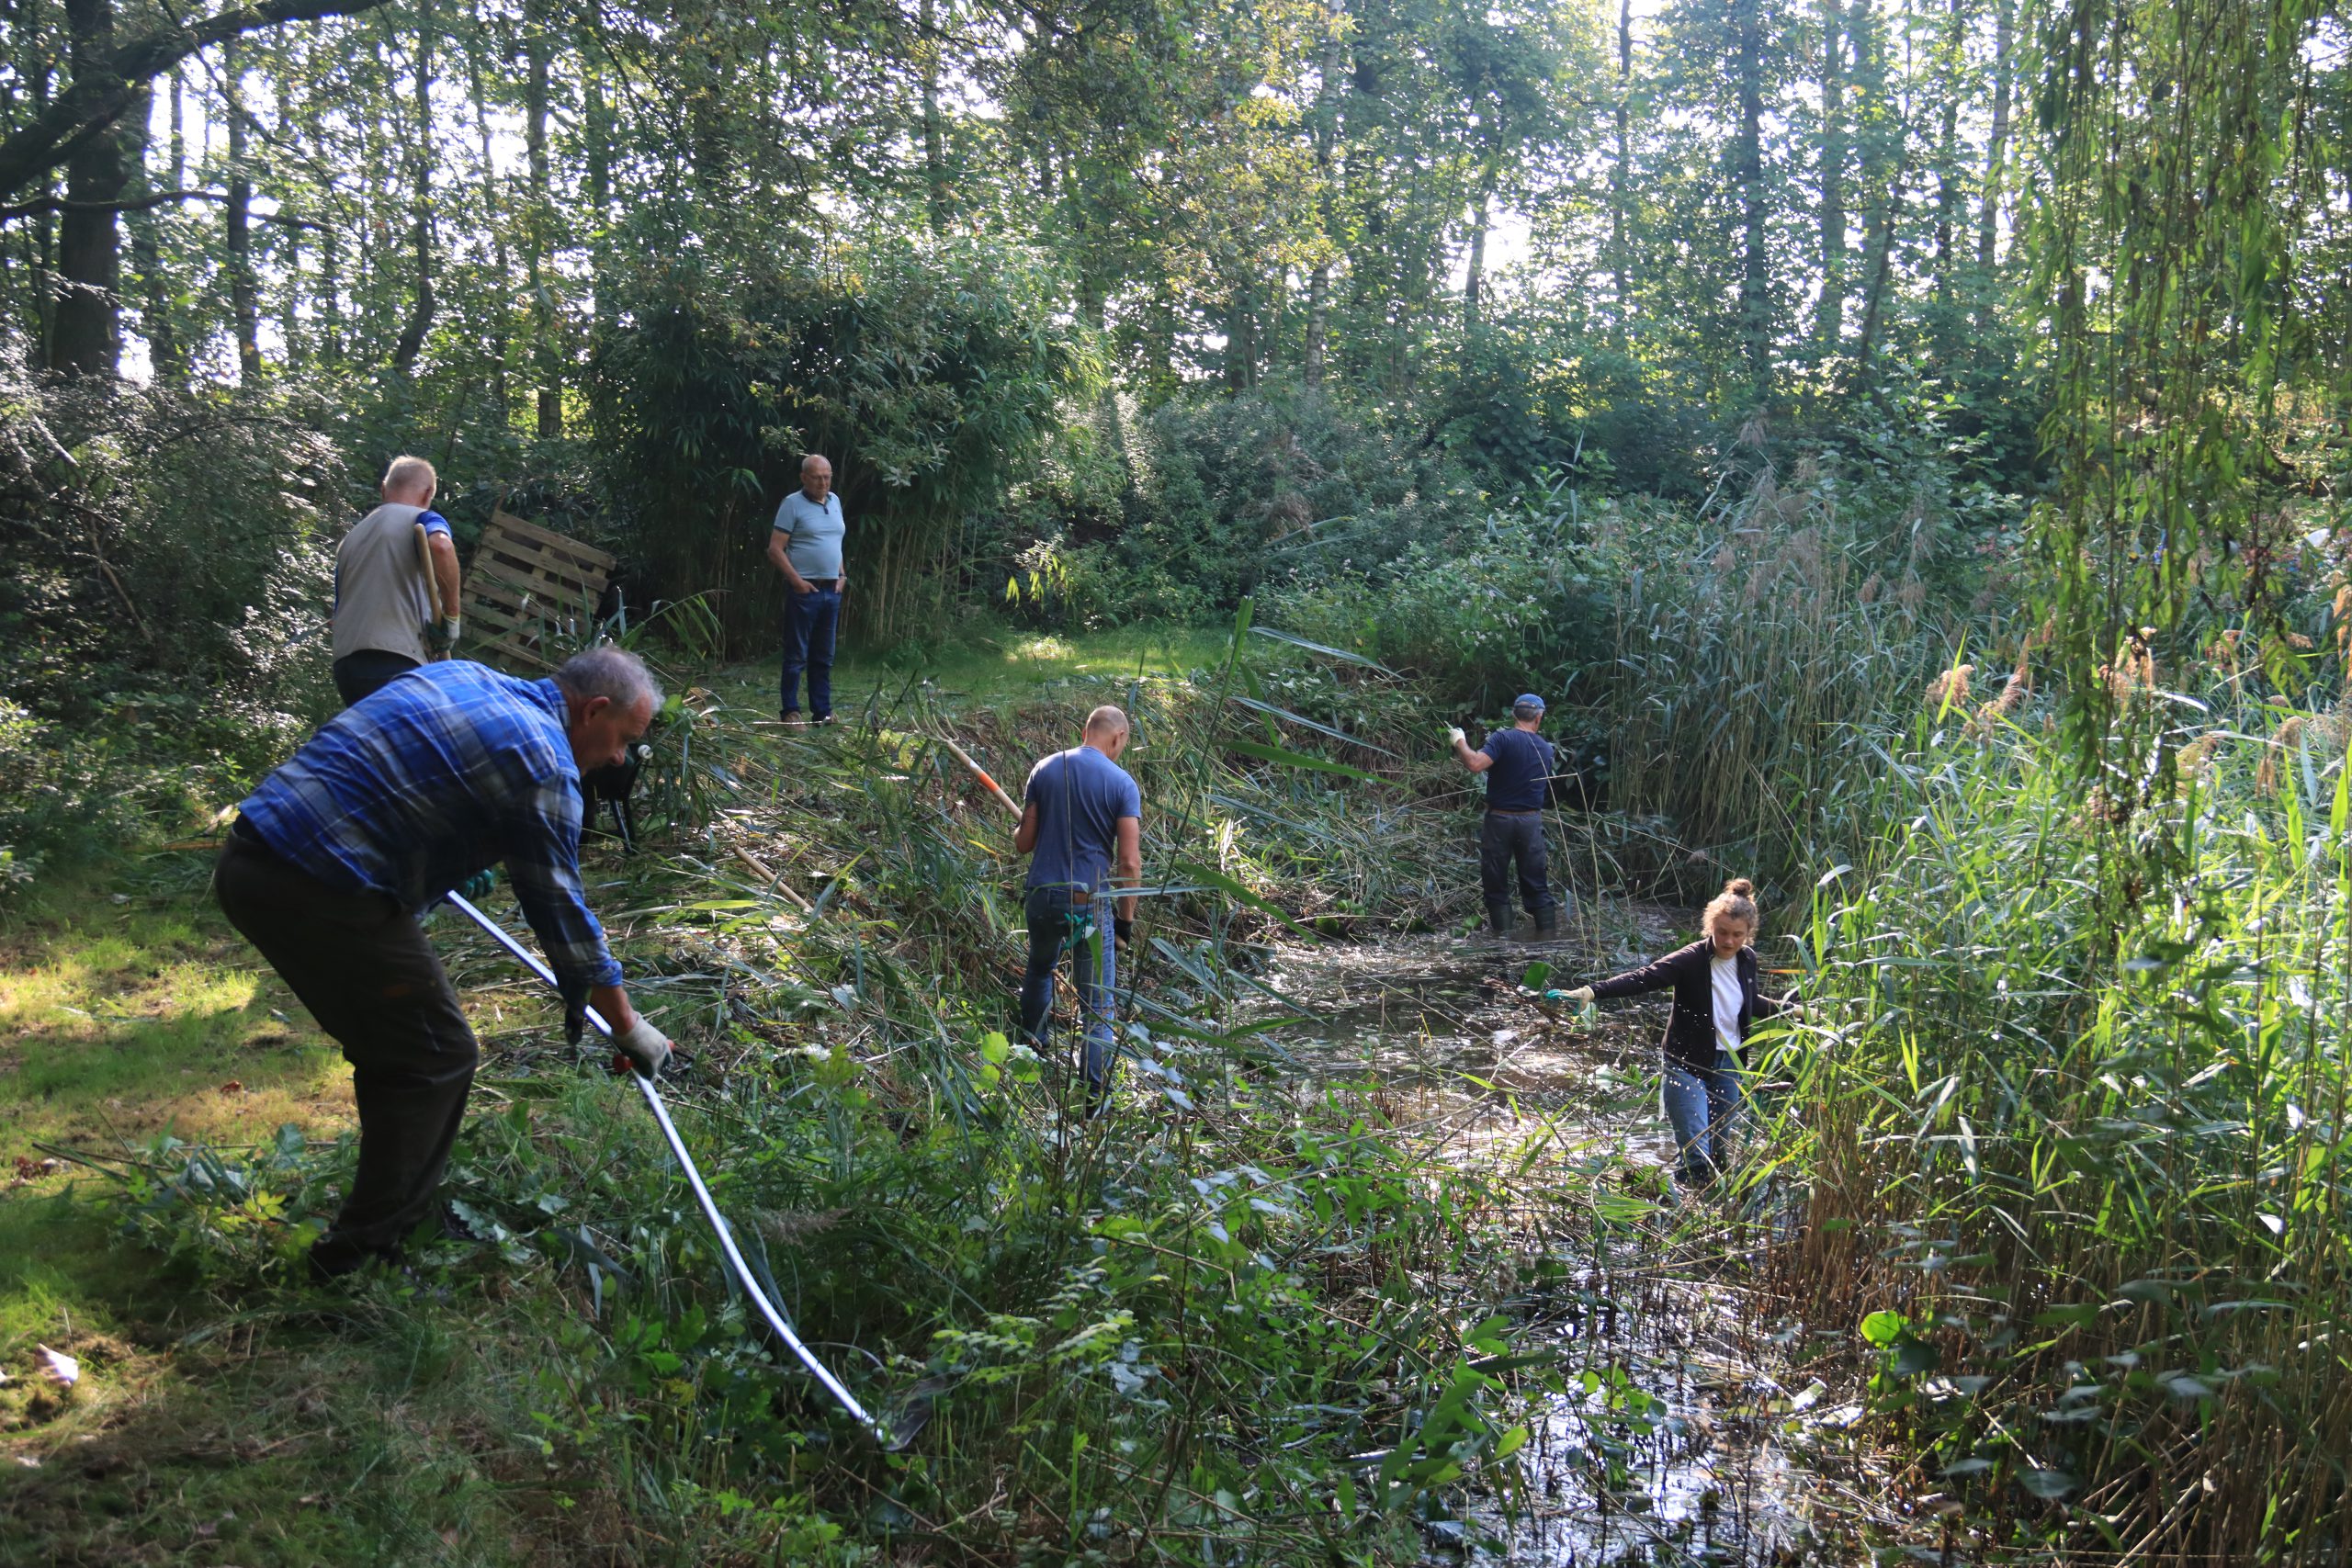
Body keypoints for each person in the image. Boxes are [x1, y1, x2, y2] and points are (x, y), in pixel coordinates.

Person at [213, 647, 673, 1281]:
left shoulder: (464, 673)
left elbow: (407, 779)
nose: (619, 758)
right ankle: (359, 1262)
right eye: (623, 738)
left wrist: (452, 853)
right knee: (435, 1054)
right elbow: (562, 914)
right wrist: (628, 1026)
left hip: (256, 849)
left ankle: (397, 1210)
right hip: (314, 882)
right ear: (594, 709)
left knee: (402, 1049)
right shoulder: (546, 764)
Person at [1560, 878, 1797, 1188]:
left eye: (1737, 935)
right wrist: (1593, 991)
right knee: (1696, 1150)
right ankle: (1684, 1209)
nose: (1728, 941)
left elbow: (1748, 1003)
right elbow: (1644, 978)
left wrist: (1791, 1011)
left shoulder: (1747, 960)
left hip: (1730, 1065)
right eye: (1722, 932)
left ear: (1748, 934)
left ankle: (1716, 1211)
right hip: (1685, 1063)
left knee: (1719, 1149)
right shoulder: (1690, 960)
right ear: (1710, 926)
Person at [1012, 705, 1143, 1099]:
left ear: (1086, 731)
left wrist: (1020, 824)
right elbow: (1129, 863)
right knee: (1098, 1004)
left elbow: (1023, 844)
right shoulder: (1122, 784)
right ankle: (1092, 1097)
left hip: (1041, 899)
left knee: (1039, 971)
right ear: (1118, 737)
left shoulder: (1045, 768)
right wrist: (1124, 923)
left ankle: (1029, 1060)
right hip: (1087, 907)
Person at [331, 455, 463, 707]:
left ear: (383, 489)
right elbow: (441, 546)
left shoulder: (350, 539)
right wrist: (452, 618)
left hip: (347, 667)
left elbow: (338, 609)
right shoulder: (422, 518)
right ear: (427, 495)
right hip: (396, 660)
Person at [1447, 694, 1560, 938]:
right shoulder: (1546, 749)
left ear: (1513, 714)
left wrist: (1459, 741)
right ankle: (1548, 944)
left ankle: (1502, 946)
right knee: (1536, 883)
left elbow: (1475, 764)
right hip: (1531, 822)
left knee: (1495, 882)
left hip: (1499, 820)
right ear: (1539, 717)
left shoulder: (1503, 738)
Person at [767, 454, 847, 727]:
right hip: (806, 591)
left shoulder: (835, 501)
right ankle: (791, 711)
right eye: (817, 477)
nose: (823, 482)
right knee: (796, 655)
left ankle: (822, 712)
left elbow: (835, 543)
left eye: (827, 477)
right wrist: (797, 582)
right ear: (804, 478)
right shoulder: (792, 504)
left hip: (831, 591)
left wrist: (842, 574)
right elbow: (775, 549)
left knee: (824, 656)